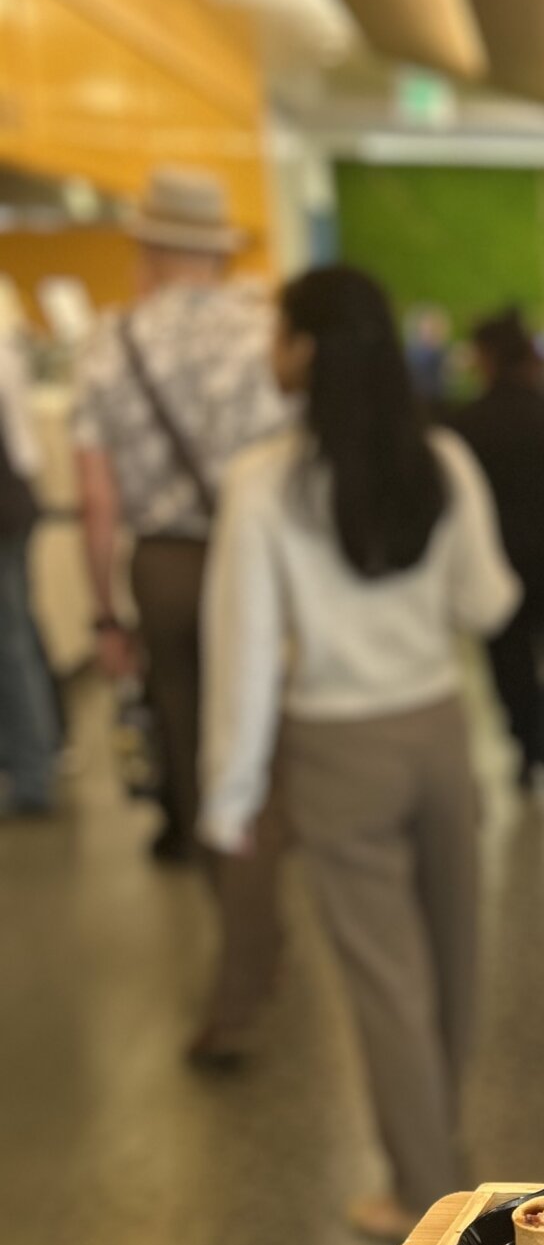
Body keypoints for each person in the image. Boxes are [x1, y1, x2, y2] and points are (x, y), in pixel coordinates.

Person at [199, 266, 518, 1243]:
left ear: (308, 349)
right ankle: (440, 1149)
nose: (270, 349)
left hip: (337, 744)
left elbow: (244, 651)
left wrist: (230, 794)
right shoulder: (442, 461)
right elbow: (487, 603)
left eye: (280, 331)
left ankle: (424, 1196)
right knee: (452, 956)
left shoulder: (266, 483)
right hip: (435, 728)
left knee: (387, 979)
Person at [72, 166, 290, 1064]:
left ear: (149, 248)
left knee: (197, 753)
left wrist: (104, 615)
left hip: (164, 566)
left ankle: (235, 910)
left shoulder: (108, 343)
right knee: (265, 742)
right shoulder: (268, 331)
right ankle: (264, 909)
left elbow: (96, 498)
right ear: (218, 245)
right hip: (262, 559)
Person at [459, 311, 544, 784]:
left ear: (489, 357)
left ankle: (528, 745)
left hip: (498, 559)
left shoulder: (469, 423)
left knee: (509, 661)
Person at [0, 320, 59, 815]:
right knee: (19, 636)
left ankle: (33, 774)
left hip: (4, 512)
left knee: (12, 643)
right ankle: (40, 754)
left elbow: (20, 446)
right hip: (13, 505)